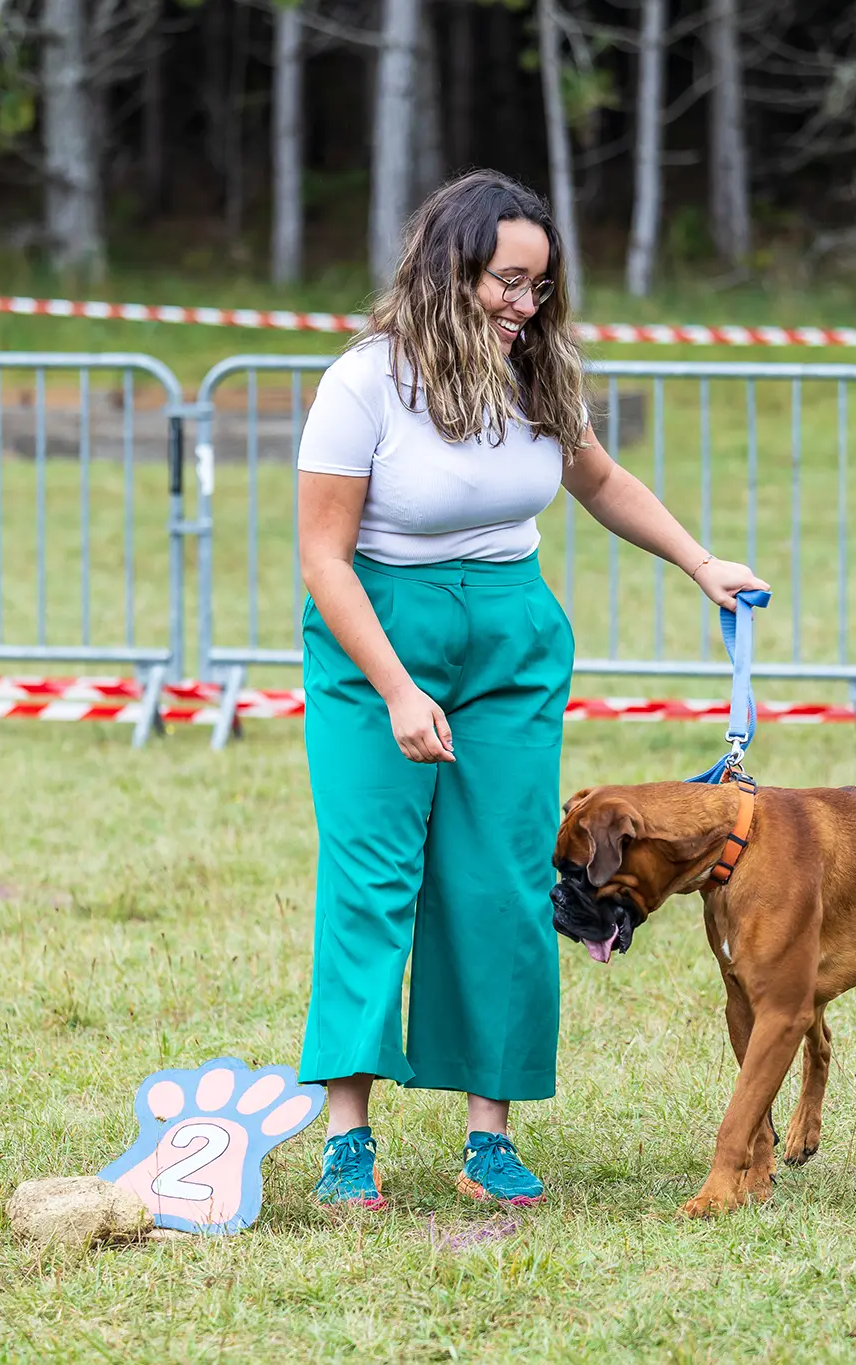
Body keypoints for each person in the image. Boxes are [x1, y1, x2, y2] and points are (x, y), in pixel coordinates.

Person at [293, 169, 768, 1209]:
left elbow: (595, 479)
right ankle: (346, 1139)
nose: (523, 305)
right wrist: (397, 692)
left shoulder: (539, 373)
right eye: (506, 282)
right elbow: (323, 559)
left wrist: (700, 562)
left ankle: (488, 1137)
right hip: (378, 633)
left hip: (511, 633)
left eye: (538, 286)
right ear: (447, 268)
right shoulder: (364, 382)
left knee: (503, 880)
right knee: (375, 882)